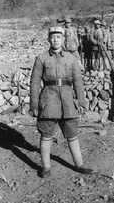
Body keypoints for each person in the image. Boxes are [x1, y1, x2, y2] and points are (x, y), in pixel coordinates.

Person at [30, 26, 94, 178]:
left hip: (67, 100)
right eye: (53, 37)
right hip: (48, 100)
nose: (55, 40)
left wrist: (81, 102)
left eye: (59, 37)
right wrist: (34, 104)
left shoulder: (71, 59)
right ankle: (45, 167)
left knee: (72, 133)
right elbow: (34, 82)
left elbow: (78, 81)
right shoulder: (41, 58)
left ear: (63, 39)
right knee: (46, 134)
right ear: (48, 39)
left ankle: (79, 164)